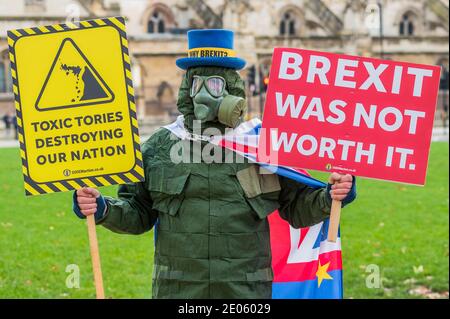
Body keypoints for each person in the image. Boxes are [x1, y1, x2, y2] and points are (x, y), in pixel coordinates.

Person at [72, 29, 357, 299]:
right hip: (179, 290)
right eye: (198, 84)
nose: (206, 94)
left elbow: (297, 207)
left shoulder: (260, 144)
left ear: (233, 89)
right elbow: (138, 212)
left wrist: (330, 196)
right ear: (187, 89)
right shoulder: (160, 146)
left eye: (217, 84)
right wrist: (102, 209)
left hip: (245, 290)